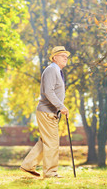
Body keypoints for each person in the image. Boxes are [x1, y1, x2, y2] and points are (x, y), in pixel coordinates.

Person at [20, 46, 70, 178]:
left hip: (50, 112)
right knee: (52, 142)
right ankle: (50, 172)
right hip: (47, 112)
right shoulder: (51, 70)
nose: (66, 57)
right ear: (54, 58)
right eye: (62, 55)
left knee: (45, 142)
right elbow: (49, 92)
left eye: (66, 55)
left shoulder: (56, 71)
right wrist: (61, 106)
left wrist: (59, 108)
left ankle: (27, 165)